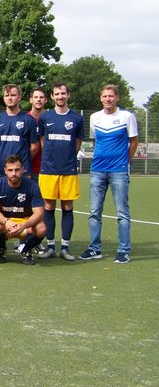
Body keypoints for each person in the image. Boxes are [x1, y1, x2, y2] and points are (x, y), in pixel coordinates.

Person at [80, 84, 138, 264]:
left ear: (117, 98)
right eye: (105, 96)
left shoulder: (127, 116)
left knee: (122, 213)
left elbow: (134, 142)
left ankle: (123, 250)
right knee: (94, 212)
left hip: (118, 171)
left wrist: (125, 162)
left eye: (111, 96)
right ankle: (94, 248)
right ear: (101, 98)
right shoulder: (95, 117)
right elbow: (96, 141)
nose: (108, 99)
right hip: (97, 170)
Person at [37, 83, 84, 261]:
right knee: (48, 207)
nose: (60, 97)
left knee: (67, 207)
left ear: (68, 95)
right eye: (57, 94)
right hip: (48, 169)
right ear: (52, 96)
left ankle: (65, 247)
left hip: (68, 170)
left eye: (63, 93)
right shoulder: (45, 117)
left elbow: (77, 142)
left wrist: (68, 158)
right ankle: (50, 246)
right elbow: (42, 141)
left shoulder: (77, 119)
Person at [0, 155, 46, 265]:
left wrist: (23, 225)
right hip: (6, 222)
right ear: (5, 171)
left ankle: (26, 250)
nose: (14, 173)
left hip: (25, 221)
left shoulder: (33, 185)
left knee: (41, 228)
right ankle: (1, 248)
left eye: (17, 170)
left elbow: (38, 213)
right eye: (10, 170)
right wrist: (7, 221)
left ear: (23, 169)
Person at [0, 84, 39, 179]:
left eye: (13, 95)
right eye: (7, 95)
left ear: (19, 97)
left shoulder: (29, 120)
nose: (10, 98)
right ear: (3, 98)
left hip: (22, 171)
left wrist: (19, 162)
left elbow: (35, 147)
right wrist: (2, 159)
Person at [28, 87, 47, 182]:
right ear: (31, 100)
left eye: (41, 97)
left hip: (47, 169)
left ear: (46, 100)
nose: (38, 99)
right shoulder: (24, 119)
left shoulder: (51, 119)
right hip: (27, 169)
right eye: (36, 97)